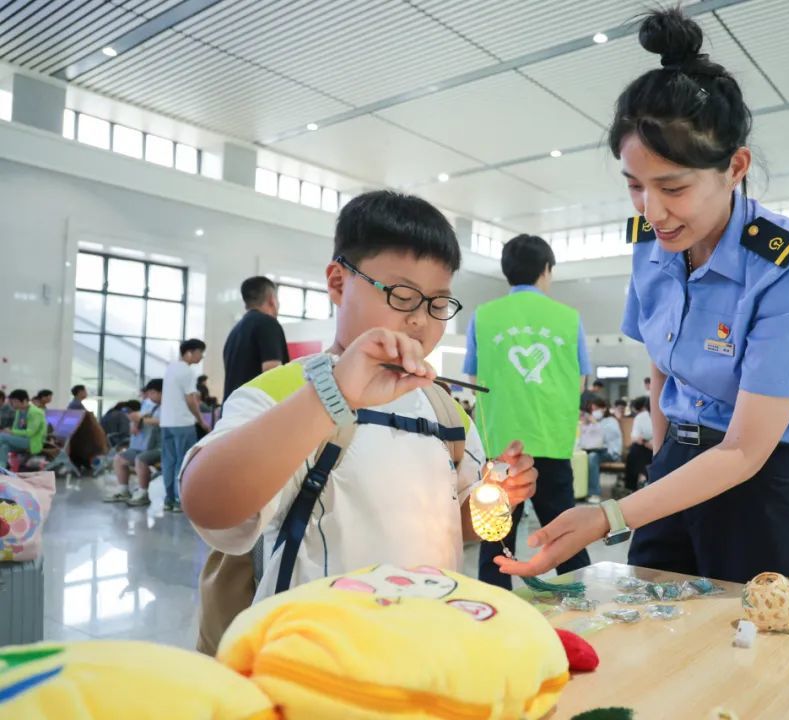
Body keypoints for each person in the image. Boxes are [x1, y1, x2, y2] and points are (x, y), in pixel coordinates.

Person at [493, 8, 789, 596]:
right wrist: (662, 460)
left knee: (760, 632)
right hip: (679, 456)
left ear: (735, 167)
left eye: (673, 187)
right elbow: (661, 366)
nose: (652, 211)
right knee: (651, 611)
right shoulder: (652, 244)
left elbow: (744, 450)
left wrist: (609, 515)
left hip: (768, 480)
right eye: (635, 185)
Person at [180, 190, 537, 605]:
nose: (420, 319)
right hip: (317, 637)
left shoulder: (446, 412)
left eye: (438, 303)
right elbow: (209, 506)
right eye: (402, 295)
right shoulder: (284, 394)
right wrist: (332, 395)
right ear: (338, 282)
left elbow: (460, 524)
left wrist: (498, 496)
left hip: (428, 632)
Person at [464, 233, 591, 589]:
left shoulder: (483, 316)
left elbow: (473, 378)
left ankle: (494, 606)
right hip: (553, 441)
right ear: (546, 270)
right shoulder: (568, 318)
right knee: (565, 535)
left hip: (501, 448)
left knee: (495, 537)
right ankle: (582, 600)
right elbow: (581, 381)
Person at [160, 339, 210, 513]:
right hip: (183, 423)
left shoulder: (171, 368)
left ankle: (169, 500)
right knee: (184, 462)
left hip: (166, 422)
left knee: (169, 462)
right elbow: (190, 400)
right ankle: (180, 500)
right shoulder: (187, 371)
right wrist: (201, 420)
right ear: (189, 353)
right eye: (200, 353)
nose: (201, 357)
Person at [222, 276, 290, 403]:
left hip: (233, 410)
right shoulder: (268, 323)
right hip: (256, 410)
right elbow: (272, 372)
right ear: (272, 300)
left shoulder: (235, 331)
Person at [104, 379, 163, 507]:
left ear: (162, 393)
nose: (149, 396)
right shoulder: (148, 403)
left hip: (160, 447)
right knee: (119, 459)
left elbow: (162, 421)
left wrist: (141, 419)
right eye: (149, 393)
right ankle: (123, 490)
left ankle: (143, 493)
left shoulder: (169, 406)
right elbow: (140, 417)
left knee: (140, 459)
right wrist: (134, 423)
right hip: (144, 444)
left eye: (153, 393)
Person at [581, 398, 622, 504]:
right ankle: (580, 492)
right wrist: (585, 425)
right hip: (593, 450)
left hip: (610, 452)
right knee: (581, 458)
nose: (594, 412)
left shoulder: (611, 421)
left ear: (603, 408)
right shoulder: (591, 422)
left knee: (592, 457)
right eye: (592, 410)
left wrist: (595, 425)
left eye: (596, 409)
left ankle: (594, 493)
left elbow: (606, 438)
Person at [0, 389, 47, 469]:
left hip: (32, 442)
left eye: (15, 402)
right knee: (4, 446)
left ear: (25, 401)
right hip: (21, 440)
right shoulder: (19, 411)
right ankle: (2, 468)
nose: (13, 404)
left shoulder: (35, 412)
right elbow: (15, 428)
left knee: (1, 436)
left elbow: (30, 433)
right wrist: (9, 432)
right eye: (12, 402)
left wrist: (11, 432)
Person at [623, 396, 653, 492]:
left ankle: (643, 478)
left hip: (659, 445)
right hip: (644, 445)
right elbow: (635, 436)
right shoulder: (641, 417)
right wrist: (645, 442)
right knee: (635, 450)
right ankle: (637, 482)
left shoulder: (665, 416)